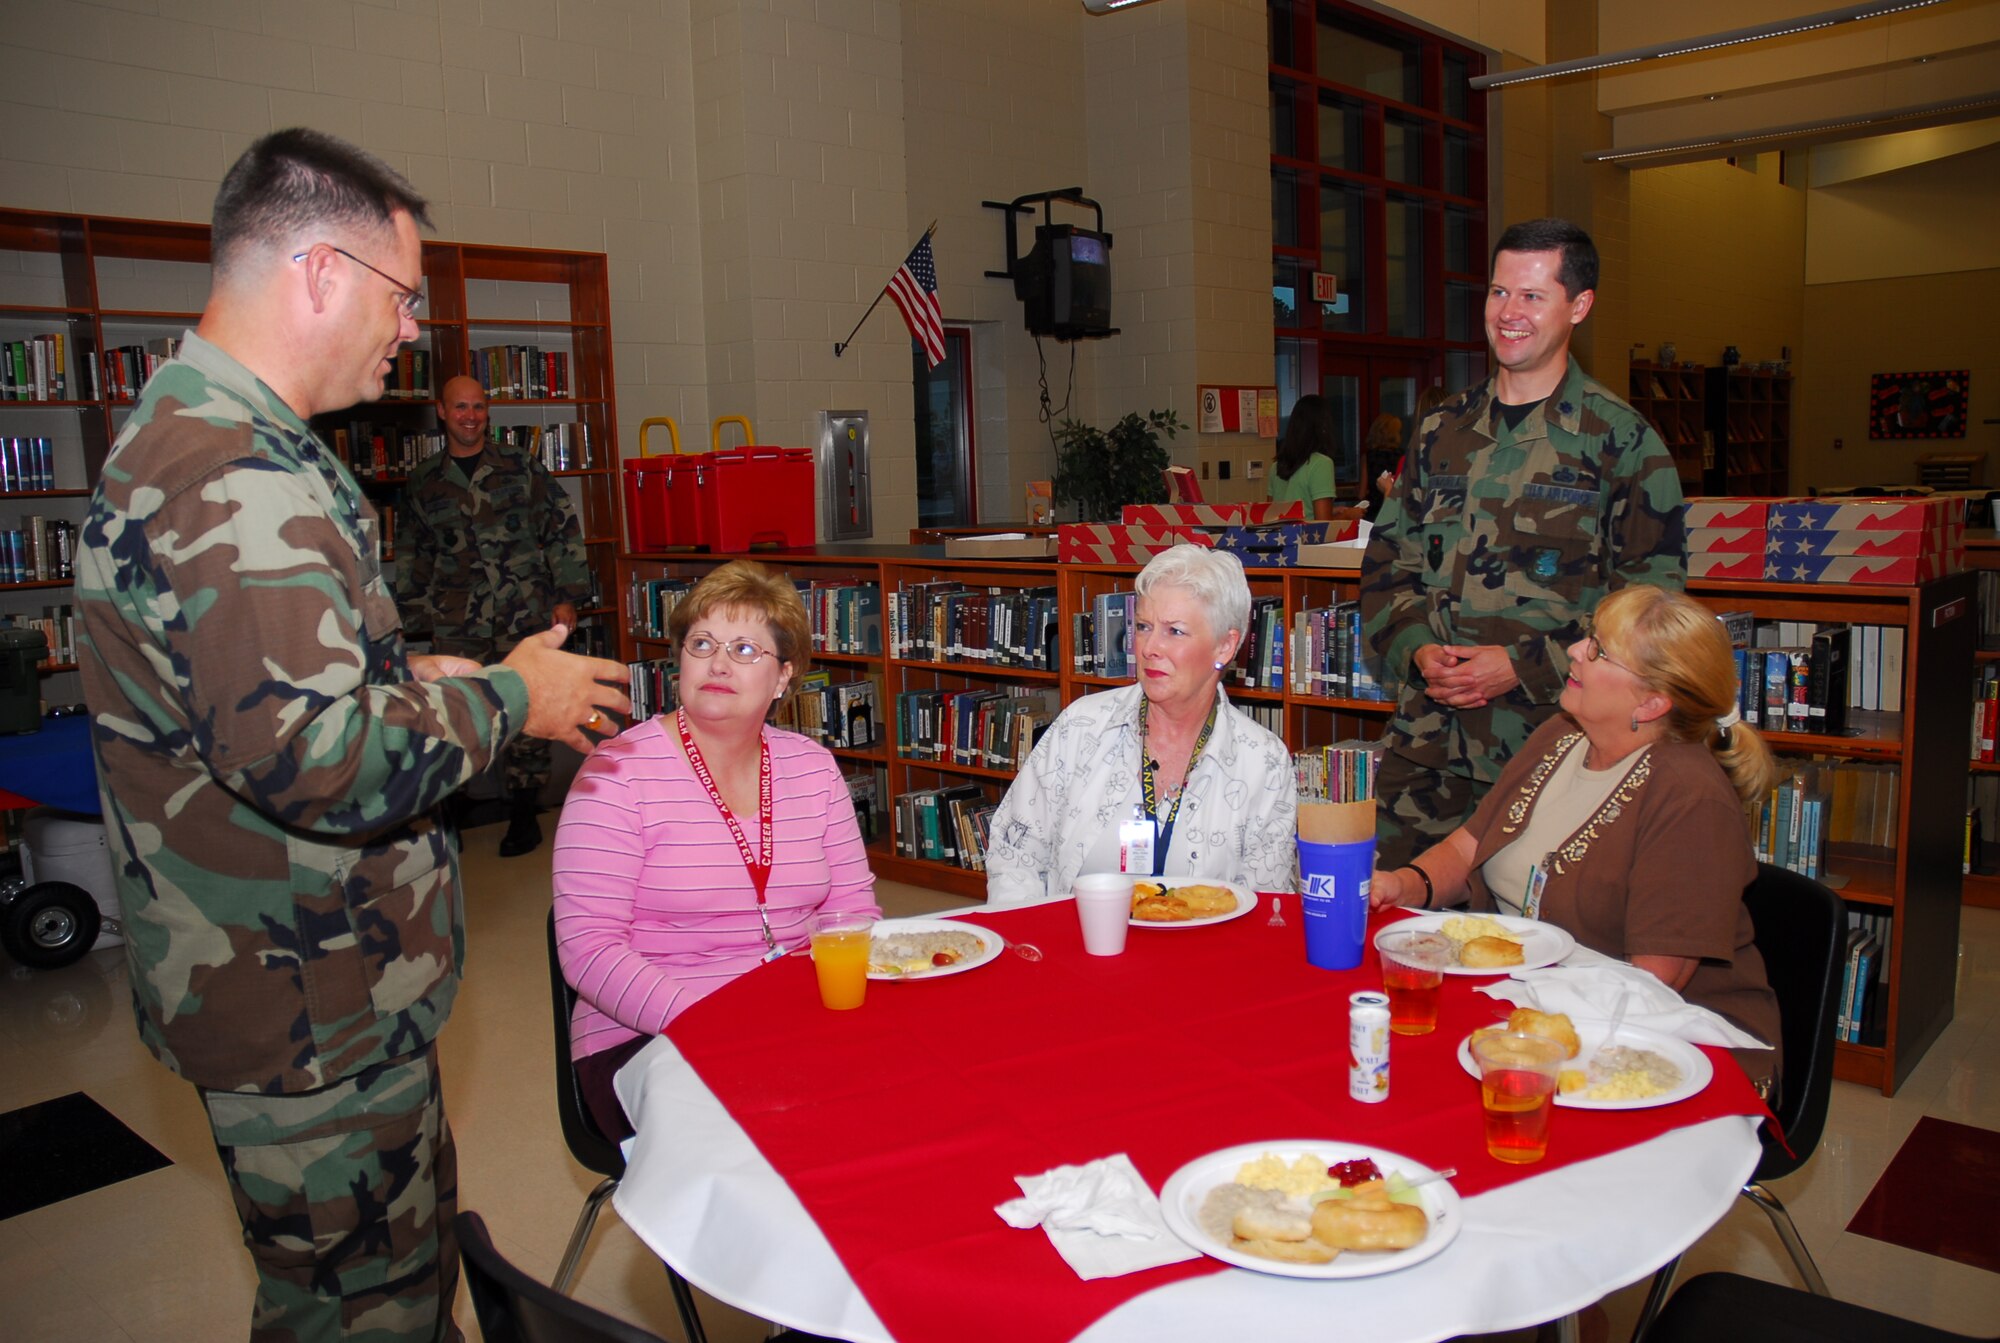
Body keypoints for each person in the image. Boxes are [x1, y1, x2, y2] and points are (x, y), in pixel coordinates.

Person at [72, 128, 632, 1343]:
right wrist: (506, 700)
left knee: (399, 1284)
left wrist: (406, 670)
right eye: (403, 294)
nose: (413, 328)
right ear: (320, 271)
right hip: (304, 996)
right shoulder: (230, 469)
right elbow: (310, 758)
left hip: (316, 980)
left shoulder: (214, 435)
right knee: (355, 1313)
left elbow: (260, 691)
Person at [1361, 217, 1686, 871]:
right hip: (1425, 755)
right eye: (1498, 292)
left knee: (1531, 955)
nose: (1509, 313)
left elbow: (1651, 618)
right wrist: (1420, 650)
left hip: (1553, 752)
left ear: (1579, 305)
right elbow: (1385, 570)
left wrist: (1523, 665)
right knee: (1395, 936)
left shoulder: (1622, 443)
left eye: (1533, 296)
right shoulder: (1439, 432)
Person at [1369, 584, 1781, 1091]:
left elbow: (1651, 987)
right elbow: (1469, 846)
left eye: (1599, 650)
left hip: (1669, 1047)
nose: (1574, 651)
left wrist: (1525, 1025)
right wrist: (1399, 885)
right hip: (1535, 1004)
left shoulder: (1690, 799)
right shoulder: (1561, 733)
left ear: (1652, 701)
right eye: (1589, 637)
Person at [553, 561, 878, 1139]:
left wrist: (834, 1011)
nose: (719, 663)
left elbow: (850, 912)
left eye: (746, 649)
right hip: (649, 1032)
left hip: (795, 1018)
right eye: (702, 643)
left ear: (784, 677)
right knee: (788, 1132)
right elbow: (590, 951)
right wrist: (717, 1027)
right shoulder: (616, 773)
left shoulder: (813, 767)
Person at [985, 545, 1297, 904]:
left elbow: (1265, 904)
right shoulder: (1081, 726)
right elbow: (1015, 856)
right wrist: (1035, 946)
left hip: (1201, 956)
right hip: (1081, 949)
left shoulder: (1264, 762)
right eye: (1144, 626)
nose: (1150, 647)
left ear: (1225, 647)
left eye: (1174, 632)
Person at [398, 373, 593, 856]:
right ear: (442, 412)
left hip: (522, 612)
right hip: (455, 618)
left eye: (479, 407)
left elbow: (561, 527)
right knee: (458, 710)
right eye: (460, 407)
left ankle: (525, 811)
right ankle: (456, 810)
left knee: (525, 703)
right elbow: (412, 552)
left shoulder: (519, 466)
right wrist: (410, 613)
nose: (471, 416)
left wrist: (567, 593)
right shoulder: (424, 481)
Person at [1267, 393, 1343, 520]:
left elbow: (1269, 515)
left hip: (1283, 538)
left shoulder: (1276, 466)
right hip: (1308, 539)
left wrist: (1333, 512)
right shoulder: (1321, 464)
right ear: (1323, 426)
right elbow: (1322, 524)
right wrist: (1347, 516)